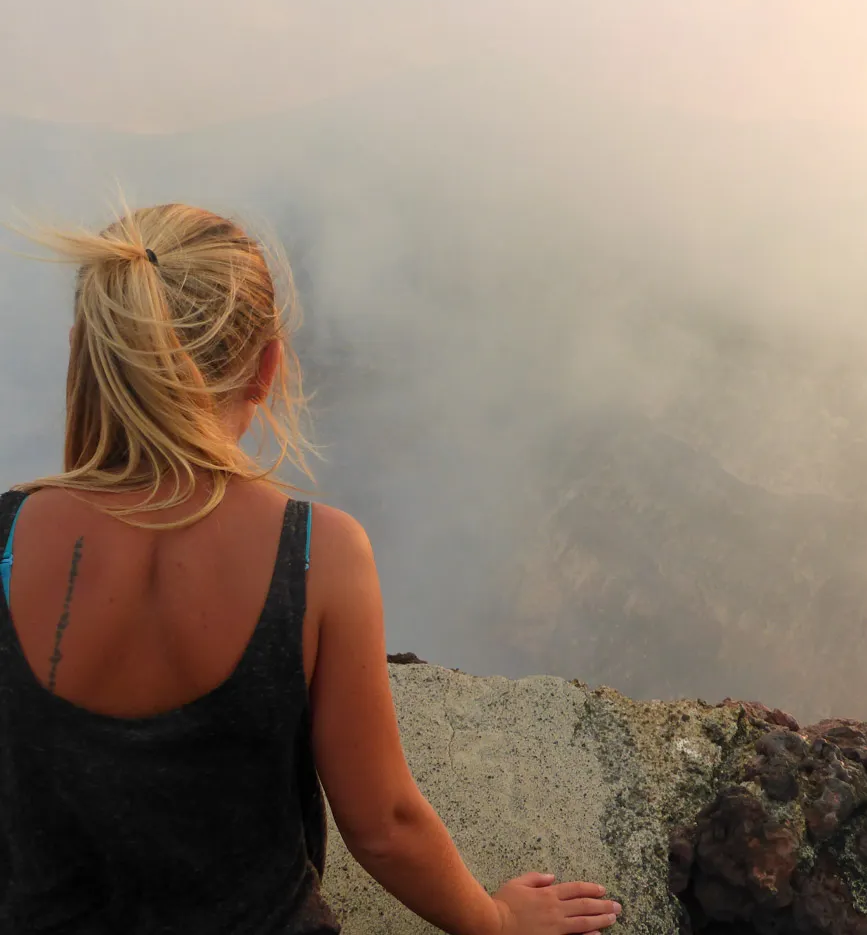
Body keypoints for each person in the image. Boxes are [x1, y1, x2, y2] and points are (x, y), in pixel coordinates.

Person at [0, 203, 623, 935]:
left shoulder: (8, 534)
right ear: (268, 366)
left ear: (86, 352)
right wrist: (498, 920)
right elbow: (384, 822)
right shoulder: (316, 552)